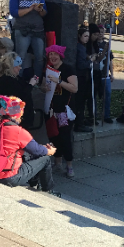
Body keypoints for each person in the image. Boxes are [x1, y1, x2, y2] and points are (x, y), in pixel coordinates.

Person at [0, 95, 59, 195]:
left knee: (27, 154)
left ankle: (33, 183)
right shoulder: (18, 132)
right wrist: (50, 151)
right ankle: (48, 190)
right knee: (45, 159)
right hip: (8, 177)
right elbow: (37, 151)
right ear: (17, 115)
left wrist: (41, 148)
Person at [42, 45, 78, 178]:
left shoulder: (68, 69)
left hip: (65, 111)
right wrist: (44, 87)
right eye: (50, 54)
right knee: (54, 137)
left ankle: (69, 165)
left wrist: (59, 81)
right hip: (51, 110)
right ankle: (57, 164)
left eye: (55, 54)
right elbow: (43, 87)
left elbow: (75, 88)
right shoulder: (48, 69)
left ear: (60, 55)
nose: (52, 57)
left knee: (65, 138)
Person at [9, 0, 47, 80]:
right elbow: (14, 12)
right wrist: (29, 9)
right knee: (20, 56)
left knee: (39, 57)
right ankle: (18, 80)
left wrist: (40, 10)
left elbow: (45, 13)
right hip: (22, 30)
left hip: (37, 30)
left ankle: (36, 80)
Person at [0, 52, 37, 129]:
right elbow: (20, 97)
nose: (20, 68)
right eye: (18, 66)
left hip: (17, 117)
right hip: (16, 119)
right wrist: (31, 84)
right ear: (11, 67)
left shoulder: (13, 77)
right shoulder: (7, 81)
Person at [74, 27, 94, 133]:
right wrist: (90, 61)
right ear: (79, 36)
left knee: (81, 101)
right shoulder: (80, 48)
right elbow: (81, 65)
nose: (87, 38)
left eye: (88, 36)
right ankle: (79, 124)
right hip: (80, 77)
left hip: (81, 77)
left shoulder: (81, 47)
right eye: (85, 36)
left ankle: (80, 120)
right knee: (80, 102)